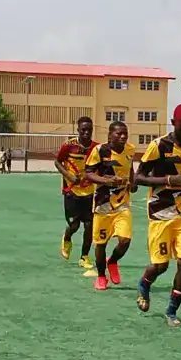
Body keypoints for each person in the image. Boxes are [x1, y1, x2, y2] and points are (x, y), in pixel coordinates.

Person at [136, 104, 181, 326]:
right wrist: (169, 181)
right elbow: (138, 178)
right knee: (161, 266)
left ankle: (172, 311)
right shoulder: (158, 146)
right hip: (160, 211)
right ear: (173, 122)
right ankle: (144, 284)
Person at [84, 120, 136, 291]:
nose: (122, 136)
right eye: (119, 133)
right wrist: (107, 180)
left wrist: (132, 183)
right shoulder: (100, 151)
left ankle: (112, 262)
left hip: (122, 204)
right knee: (100, 244)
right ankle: (101, 276)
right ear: (109, 135)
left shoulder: (130, 150)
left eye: (125, 133)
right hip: (103, 204)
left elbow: (130, 170)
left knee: (125, 240)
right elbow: (89, 174)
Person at [55, 117, 98, 274]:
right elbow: (57, 162)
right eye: (83, 130)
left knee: (89, 225)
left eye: (89, 130)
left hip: (89, 192)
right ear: (78, 130)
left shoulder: (96, 148)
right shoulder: (69, 146)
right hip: (71, 191)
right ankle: (67, 237)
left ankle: (84, 256)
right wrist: (69, 176)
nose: (87, 133)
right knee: (74, 225)